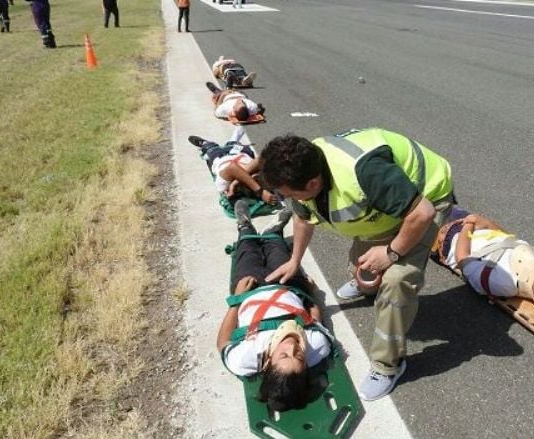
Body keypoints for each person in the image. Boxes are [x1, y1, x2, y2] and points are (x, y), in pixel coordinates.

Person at [259, 128, 454, 401]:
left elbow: (422, 213)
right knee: (363, 271)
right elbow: (303, 218)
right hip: (387, 206)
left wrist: (391, 253)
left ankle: (388, 366)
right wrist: (294, 260)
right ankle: (370, 285)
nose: (287, 199)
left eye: (289, 194)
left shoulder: (363, 175)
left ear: (313, 184)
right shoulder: (303, 170)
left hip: (427, 198)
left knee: (396, 281)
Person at [217, 202, 333, 411]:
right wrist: (312, 294)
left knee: (247, 253)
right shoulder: (317, 347)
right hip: (287, 286)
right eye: (298, 356)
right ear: (306, 364)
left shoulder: (244, 359)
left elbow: (222, 342)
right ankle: (274, 231)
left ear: (268, 362)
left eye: (284, 355)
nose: (292, 347)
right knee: (278, 251)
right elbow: (315, 316)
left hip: (250, 291)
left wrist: (236, 300)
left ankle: (245, 226)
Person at [430, 206, 534, 319]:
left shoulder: (503, 283)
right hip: (471, 224)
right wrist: (485, 222)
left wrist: (469, 224)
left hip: (445, 237)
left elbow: (462, 258)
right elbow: (510, 239)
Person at [186, 130, 279, 206]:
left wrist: (259, 191)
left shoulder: (223, 185)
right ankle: (235, 136)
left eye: (254, 179)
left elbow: (233, 168)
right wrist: (240, 181)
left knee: (210, 147)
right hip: (240, 153)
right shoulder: (257, 178)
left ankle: (204, 143)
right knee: (233, 144)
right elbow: (261, 159)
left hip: (220, 157)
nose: (257, 175)